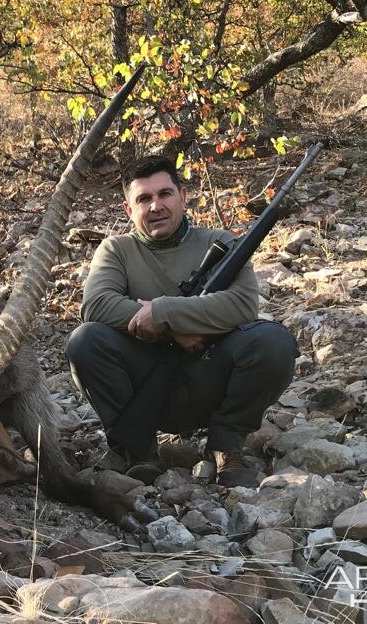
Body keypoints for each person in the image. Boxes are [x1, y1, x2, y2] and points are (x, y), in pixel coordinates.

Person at [66, 155, 299, 487]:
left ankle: (226, 446)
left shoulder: (222, 243)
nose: (155, 206)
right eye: (143, 199)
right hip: (143, 381)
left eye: (165, 194)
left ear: (183, 196)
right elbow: (97, 306)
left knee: (273, 342)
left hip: (211, 376)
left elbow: (243, 305)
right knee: (84, 340)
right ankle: (139, 451)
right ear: (128, 209)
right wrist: (175, 333)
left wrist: (162, 313)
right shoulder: (115, 250)